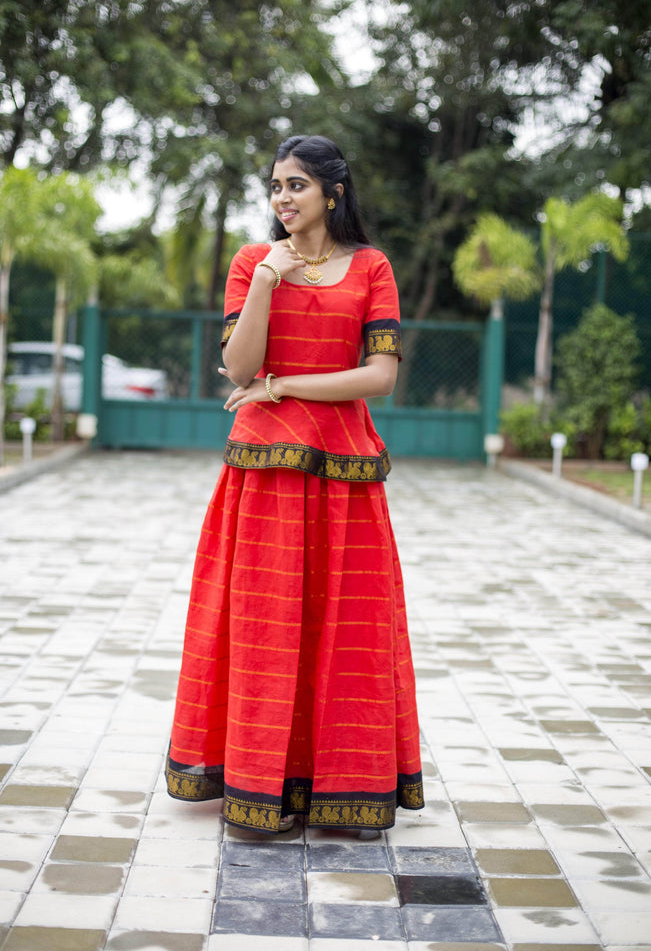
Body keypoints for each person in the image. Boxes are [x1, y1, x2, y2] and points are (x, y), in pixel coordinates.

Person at [165, 134, 424, 836]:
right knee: (263, 629)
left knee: (346, 628)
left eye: (296, 185)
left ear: (332, 193)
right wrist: (270, 283)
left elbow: (379, 379)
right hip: (263, 478)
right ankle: (258, 787)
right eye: (275, 186)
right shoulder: (252, 262)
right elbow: (238, 368)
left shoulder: (371, 267)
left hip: (344, 476)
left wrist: (283, 387)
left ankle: (343, 785)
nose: (282, 198)